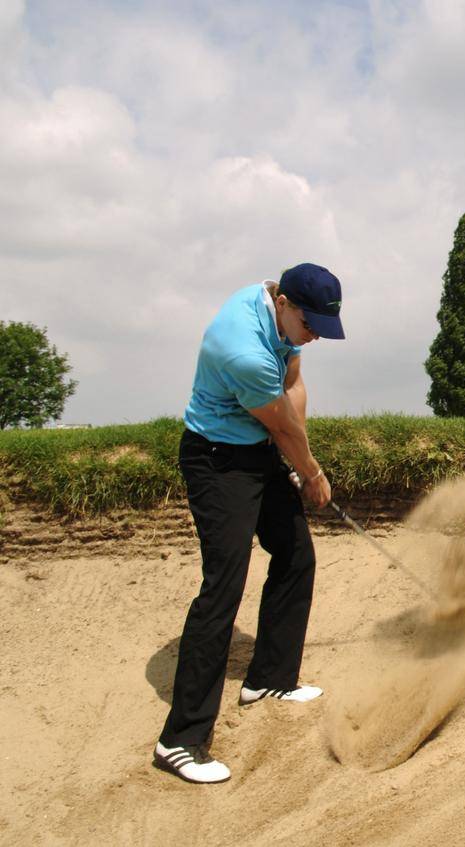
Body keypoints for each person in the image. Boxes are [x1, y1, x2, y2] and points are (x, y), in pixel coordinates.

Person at [153, 263, 344, 784]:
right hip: (217, 460)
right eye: (312, 327)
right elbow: (281, 424)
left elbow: (293, 386)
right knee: (224, 587)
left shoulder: (280, 312)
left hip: (256, 448)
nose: (314, 338)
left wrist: (293, 447)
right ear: (285, 303)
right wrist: (312, 474)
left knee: (295, 553)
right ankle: (180, 740)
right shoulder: (243, 347)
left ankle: (270, 680)